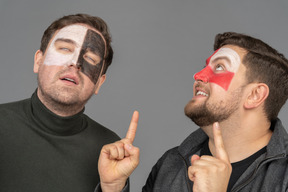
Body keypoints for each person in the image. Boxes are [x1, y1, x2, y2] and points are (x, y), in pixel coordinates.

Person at [98, 32, 288, 192]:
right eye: (206, 66)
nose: (199, 75)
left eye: (220, 67)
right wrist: (113, 187)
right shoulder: (172, 163)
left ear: (255, 95)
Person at [0, 13, 139, 192]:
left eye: (90, 59)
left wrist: (112, 188)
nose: (75, 63)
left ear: (99, 83)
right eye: (65, 48)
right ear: (38, 61)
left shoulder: (110, 149)